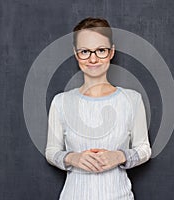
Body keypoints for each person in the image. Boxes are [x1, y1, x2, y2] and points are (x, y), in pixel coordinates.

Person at [45, 17, 151, 200]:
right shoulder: (61, 102)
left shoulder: (132, 100)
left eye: (101, 50)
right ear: (76, 53)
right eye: (85, 51)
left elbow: (144, 149)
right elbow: (51, 151)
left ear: (111, 52)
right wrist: (73, 159)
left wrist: (119, 156)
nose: (93, 59)